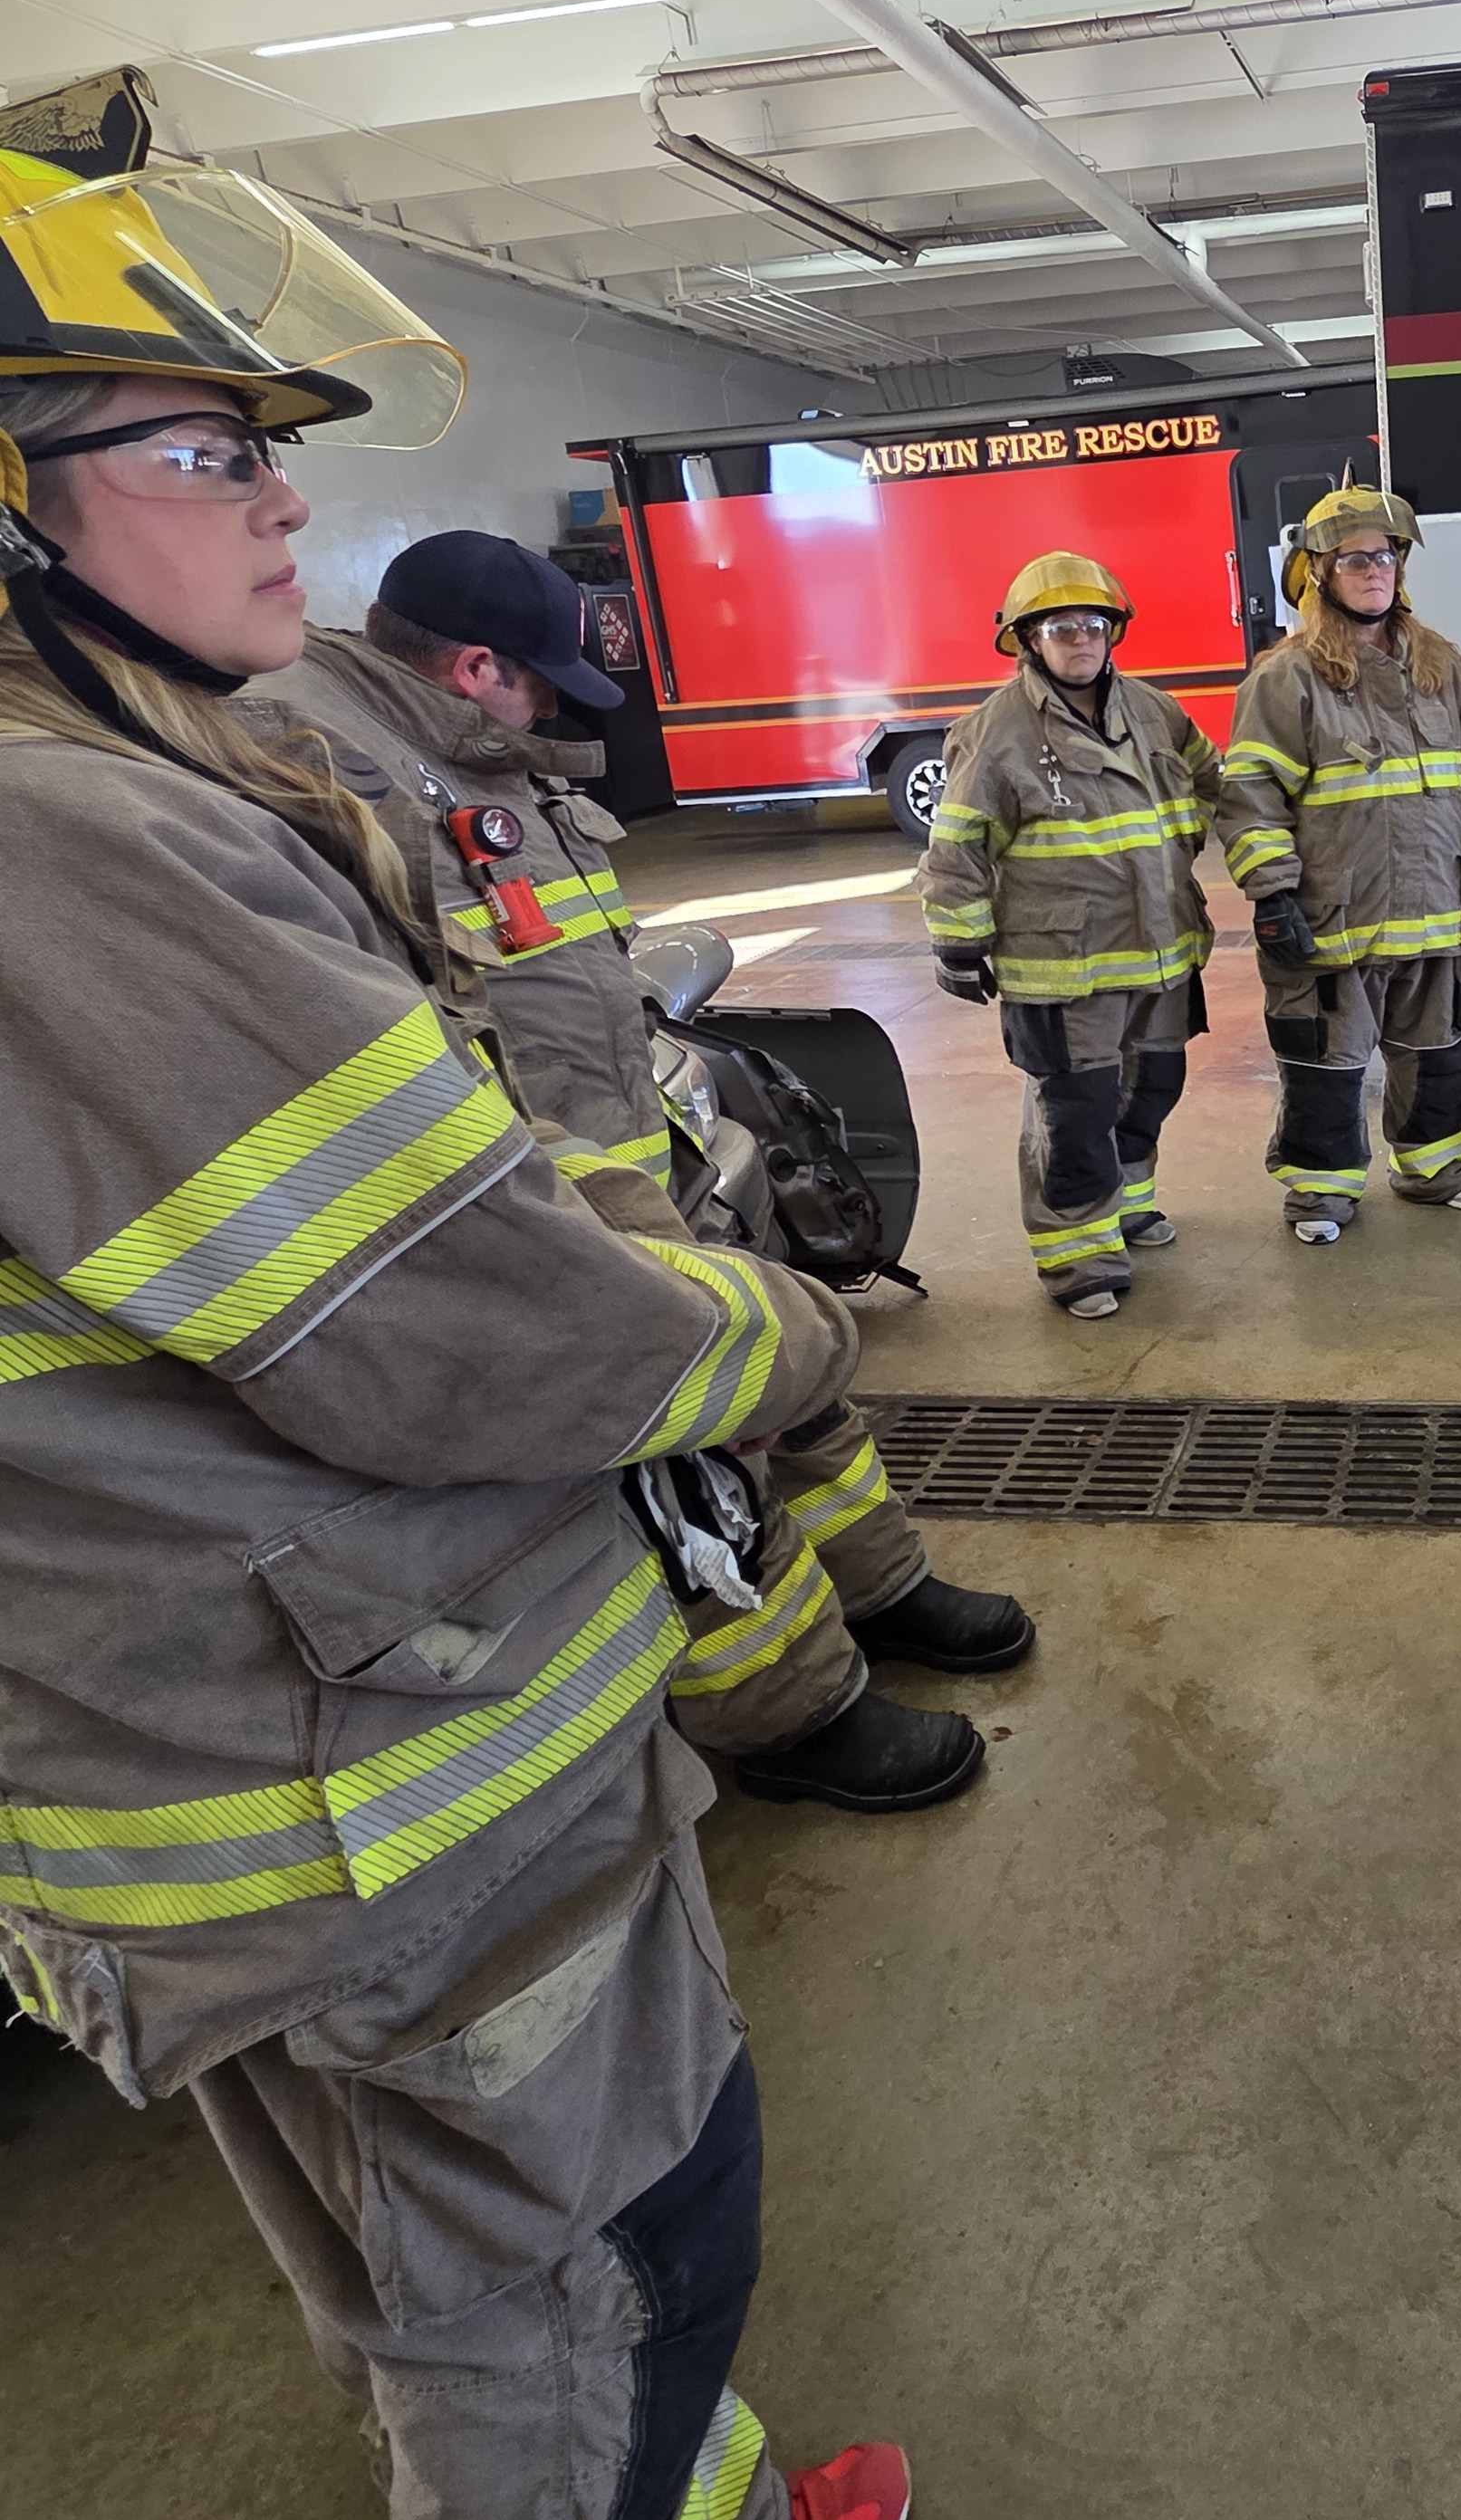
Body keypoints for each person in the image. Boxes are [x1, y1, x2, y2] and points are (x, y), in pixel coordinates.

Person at [0, 151, 910, 2520]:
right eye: (202, 446)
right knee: (589, 2208)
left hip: (193, 1740)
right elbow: (445, 1328)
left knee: (420, 2226)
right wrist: (778, 1328)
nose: (284, 501)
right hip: (371, 1750)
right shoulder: (69, 838)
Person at [264, 532, 1034, 1822]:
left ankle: (880, 1587)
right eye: (542, 682)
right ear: (475, 668)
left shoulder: (472, 758)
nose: (556, 710)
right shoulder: (332, 773)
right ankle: (793, 1715)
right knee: (687, 1473)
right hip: (560, 1220)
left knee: (794, 1393)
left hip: (647, 1173)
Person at [1215, 484, 1461, 1241]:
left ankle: (1433, 1168)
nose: (1375, 570)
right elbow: (1251, 795)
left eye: (1385, 556)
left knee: (1438, 1052)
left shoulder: (1440, 665)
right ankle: (1320, 1193)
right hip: (1334, 916)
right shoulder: (1286, 677)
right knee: (1326, 1064)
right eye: (1354, 559)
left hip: (1433, 907)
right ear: (1319, 574)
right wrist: (1272, 895)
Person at [923, 551, 1220, 1316]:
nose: (1081, 639)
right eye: (1061, 627)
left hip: (1162, 949)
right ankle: (1078, 1256)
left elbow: (1211, 780)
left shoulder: (1154, 711)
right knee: (1075, 1111)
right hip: (1061, 963)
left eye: (1093, 624)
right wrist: (957, 939)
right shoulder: (997, 733)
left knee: (1154, 1086)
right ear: (1029, 639)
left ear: (1113, 631)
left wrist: (1203, 840)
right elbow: (957, 845)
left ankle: (1126, 1208)